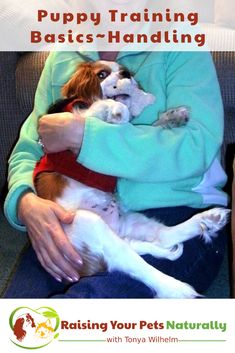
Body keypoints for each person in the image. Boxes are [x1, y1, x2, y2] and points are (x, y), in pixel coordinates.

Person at [4, 50, 228, 298]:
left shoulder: (183, 44)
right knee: (21, 323)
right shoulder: (63, 53)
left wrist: (86, 136)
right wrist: (26, 202)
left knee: (79, 314)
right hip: (67, 221)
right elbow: (29, 148)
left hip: (174, 208)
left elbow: (197, 147)